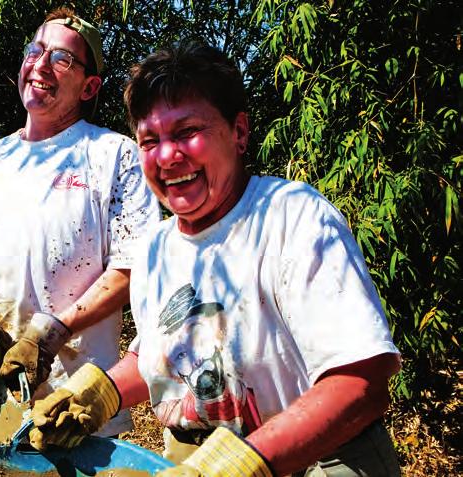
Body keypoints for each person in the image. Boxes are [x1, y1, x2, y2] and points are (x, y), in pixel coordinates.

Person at [27, 42, 402, 477]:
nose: (167, 156)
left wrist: (244, 461)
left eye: (187, 132)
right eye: (151, 140)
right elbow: (162, 352)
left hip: (318, 459)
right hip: (197, 458)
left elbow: (362, 381)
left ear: (239, 132)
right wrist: (98, 394)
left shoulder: (293, 216)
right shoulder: (155, 249)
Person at [0, 7, 160, 437]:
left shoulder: (115, 155)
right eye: (36, 50)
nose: (41, 64)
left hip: (76, 404)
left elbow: (132, 268)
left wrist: (52, 331)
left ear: (90, 86)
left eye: (61, 58)